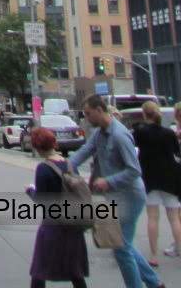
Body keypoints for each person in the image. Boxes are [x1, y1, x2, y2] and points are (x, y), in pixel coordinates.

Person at [69, 94, 166, 288]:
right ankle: (154, 283)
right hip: (115, 196)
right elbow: (85, 151)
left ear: (99, 110)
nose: (86, 118)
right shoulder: (99, 133)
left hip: (130, 196)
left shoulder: (120, 135)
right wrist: (64, 166)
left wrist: (108, 180)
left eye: (88, 114)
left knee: (121, 247)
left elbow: (134, 169)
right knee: (122, 244)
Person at [26, 125, 89, 288]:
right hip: (73, 225)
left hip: (53, 226)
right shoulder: (70, 165)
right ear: (53, 143)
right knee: (75, 271)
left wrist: (31, 191)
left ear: (37, 147)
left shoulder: (43, 168)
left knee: (39, 270)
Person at [134, 100, 181, 264]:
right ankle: (180, 251)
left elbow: (136, 145)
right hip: (170, 177)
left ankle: (154, 255)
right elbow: (177, 152)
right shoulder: (168, 133)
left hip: (149, 177)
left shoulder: (140, 132)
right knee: (174, 218)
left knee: (152, 217)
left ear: (144, 114)